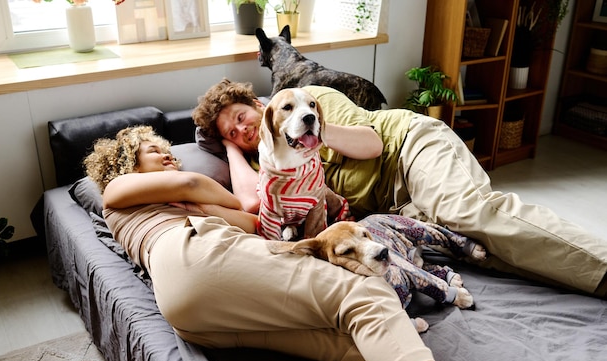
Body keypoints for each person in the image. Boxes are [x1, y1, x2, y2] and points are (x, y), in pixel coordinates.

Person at [83, 125, 476, 361]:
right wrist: (199, 197)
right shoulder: (115, 192)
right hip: (192, 256)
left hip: (191, 315)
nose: (168, 155)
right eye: (153, 151)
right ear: (125, 162)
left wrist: (204, 204)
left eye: (168, 151)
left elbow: (251, 222)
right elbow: (206, 188)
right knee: (367, 295)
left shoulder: (170, 206)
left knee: (352, 349)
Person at [192, 78, 607, 299]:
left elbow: (372, 145)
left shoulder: (308, 99)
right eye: (235, 131)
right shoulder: (265, 161)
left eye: (243, 116)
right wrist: (232, 146)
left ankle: (602, 266)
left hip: (408, 149)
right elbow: (251, 200)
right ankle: (587, 282)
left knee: (470, 213)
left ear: (260, 105)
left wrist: (310, 124)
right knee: (474, 248)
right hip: (395, 206)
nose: (243, 128)